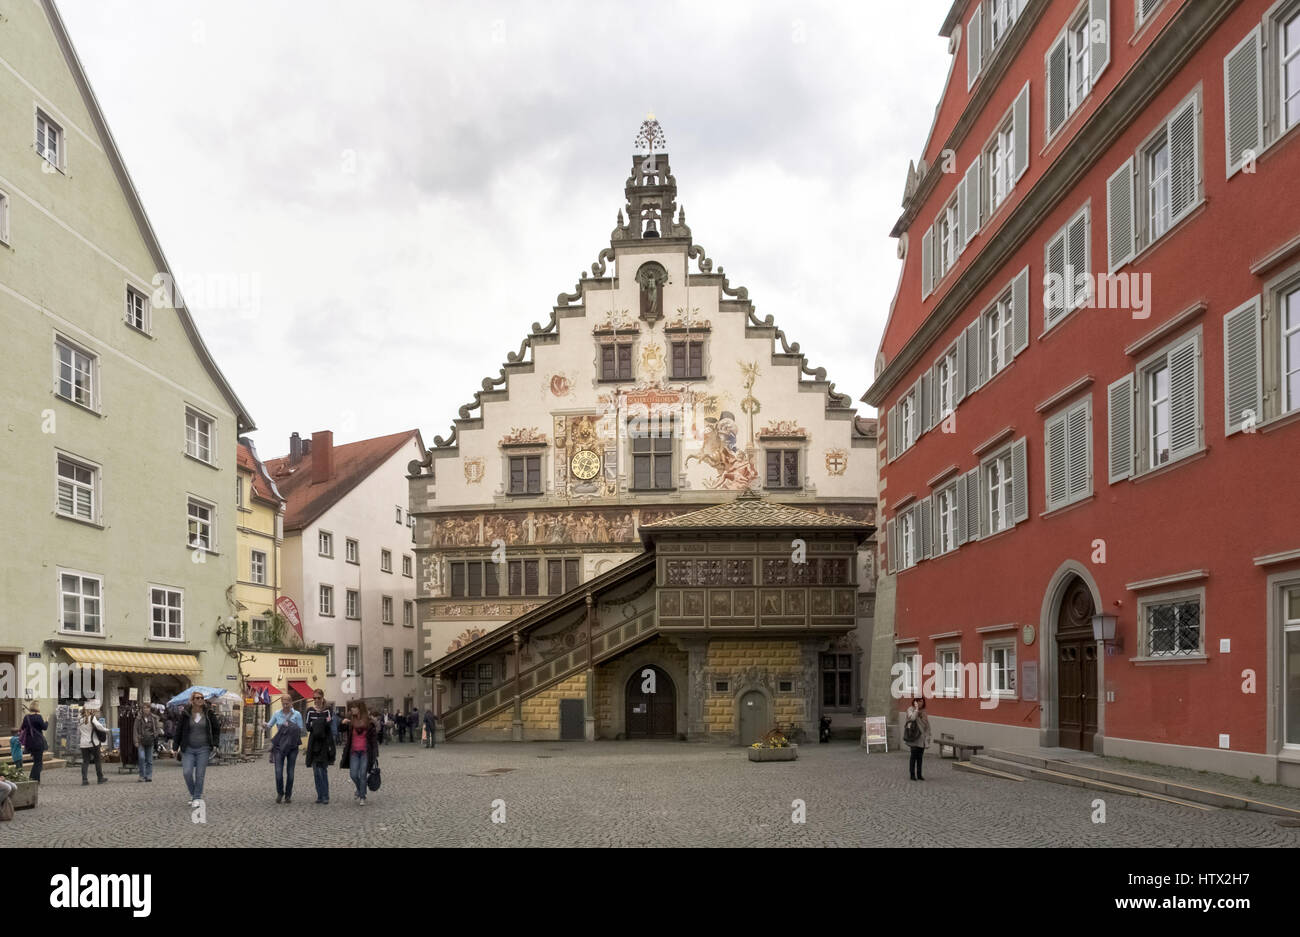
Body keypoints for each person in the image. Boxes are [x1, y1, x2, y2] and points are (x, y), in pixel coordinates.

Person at [174, 689, 220, 806]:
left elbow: (216, 729)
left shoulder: (209, 713)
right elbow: (179, 730)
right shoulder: (185, 714)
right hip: (188, 748)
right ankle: (194, 794)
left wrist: (215, 743)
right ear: (192, 700)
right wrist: (175, 747)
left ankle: (196, 797)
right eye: (197, 698)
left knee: (200, 774)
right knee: (187, 772)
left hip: (203, 748)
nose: (200, 700)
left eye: (202, 698)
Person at [266, 692, 305, 804]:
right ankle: (280, 793)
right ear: (281, 703)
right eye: (284, 704)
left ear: (291, 703)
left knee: (290, 772)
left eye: (287, 704)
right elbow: (270, 725)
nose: (285, 706)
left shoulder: (296, 715)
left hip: (292, 746)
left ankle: (288, 795)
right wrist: (265, 725)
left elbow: (301, 731)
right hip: (279, 746)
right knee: (278, 772)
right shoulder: (277, 713)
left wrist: (291, 727)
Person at [339, 701, 378, 806]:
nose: (352, 709)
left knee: (363, 775)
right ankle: (360, 788)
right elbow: (340, 729)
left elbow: (374, 740)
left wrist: (375, 754)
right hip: (354, 752)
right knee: (353, 774)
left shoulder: (369, 723)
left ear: (360, 708)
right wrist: (342, 723)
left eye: (354, 707)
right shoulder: (351, 721)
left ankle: (362, 796)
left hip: (365, 752)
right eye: (351, 708)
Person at [305, 691, 335, 805]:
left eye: (318, 697)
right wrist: (321, 722)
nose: (316, 700)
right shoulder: (310, 711)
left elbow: (329, 724)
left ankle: (325, 795)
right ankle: (319, 795)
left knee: (323, 770)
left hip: (324, 743)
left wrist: (316, 723)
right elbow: (308, 726)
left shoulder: (328, 710)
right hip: (313, 742)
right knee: (316, 771)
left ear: (322, 698)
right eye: (314, 698)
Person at [77, 702, 108, 786]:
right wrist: (106, 730)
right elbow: (99, 726)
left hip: (83, 743)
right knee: (97, 760)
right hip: (93, 743)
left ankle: (84, 779)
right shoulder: (92, 718)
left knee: (85, 761)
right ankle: (100, 778)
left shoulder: (79, 719)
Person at [904, 697, 931, 781]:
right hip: (914, 736)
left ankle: (919, 774)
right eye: (919, 701)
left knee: (920, 757)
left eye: (922, 701)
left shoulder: (923, 711)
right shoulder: (910, 709)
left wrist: (928, 735)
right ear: (915, 702)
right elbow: (912, 718)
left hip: (922, 737)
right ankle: (912, 774)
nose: (921, 703)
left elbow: (927, 724)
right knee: (913, 756)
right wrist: (916, 709)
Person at [20, 703, 49, 783]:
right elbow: (44, 727)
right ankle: (32, 779)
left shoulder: (26, 717)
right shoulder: (38, 717)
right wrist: (46, 720)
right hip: (38, 742)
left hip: (30, 743)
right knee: (38, 763)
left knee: (36, 761)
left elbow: (22, 727)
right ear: (37, 708)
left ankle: (37, 780)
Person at [133, 704, 161, 783]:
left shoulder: (153, 718)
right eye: (144, 708)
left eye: (147, 708)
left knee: (149, 760)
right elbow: (135, 730)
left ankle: (148, 776)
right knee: (141, 758)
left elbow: (157, 728)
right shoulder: (138, 718)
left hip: (150, 741)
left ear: (149, 709)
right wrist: (135, 741)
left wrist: (155, 735)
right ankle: (142, 775)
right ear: (142, 709)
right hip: (141, 741)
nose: (146, 709)